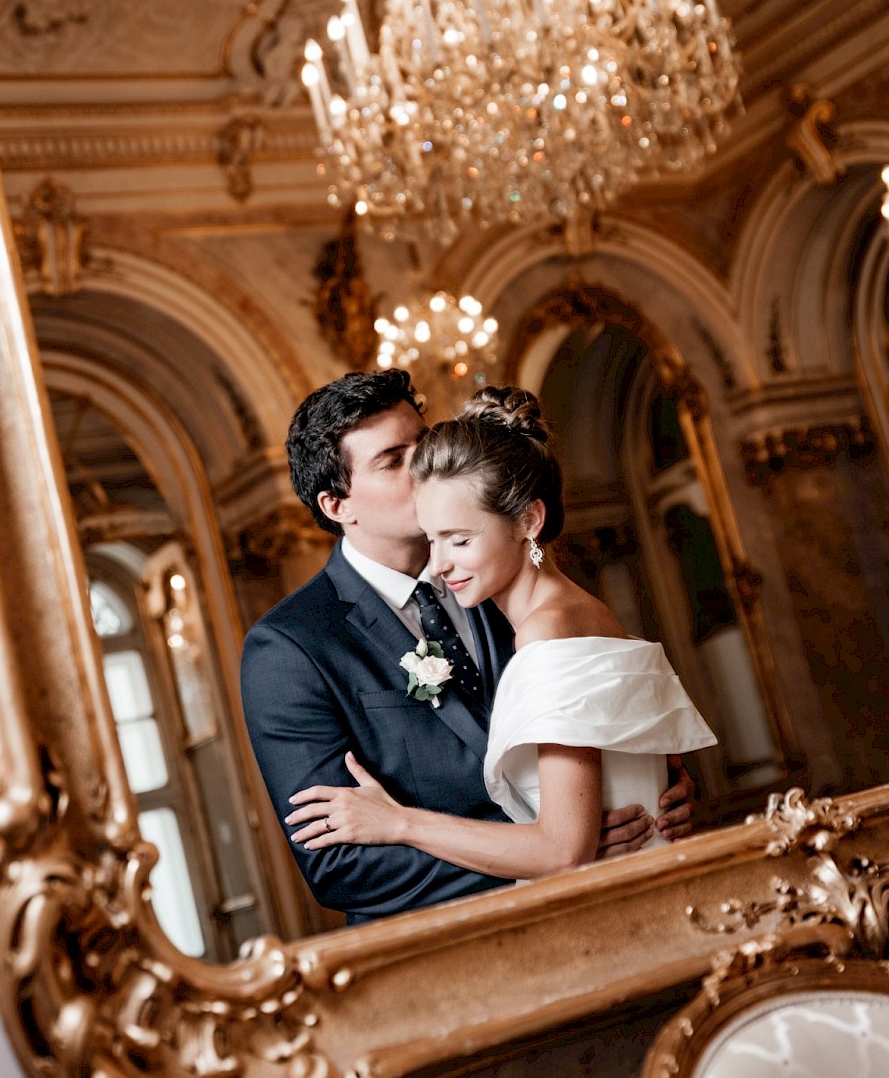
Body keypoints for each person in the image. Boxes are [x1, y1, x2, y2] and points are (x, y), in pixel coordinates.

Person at [241, 370, 696, 925]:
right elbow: (340, 865)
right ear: (337, 505)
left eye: (423, 442)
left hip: (614, 897)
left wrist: (652, 787)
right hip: (461, 949)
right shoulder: (289, 648)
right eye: (392, 460)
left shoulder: (503, 574)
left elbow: (593, 720)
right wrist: (552, 847)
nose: (424, 466)